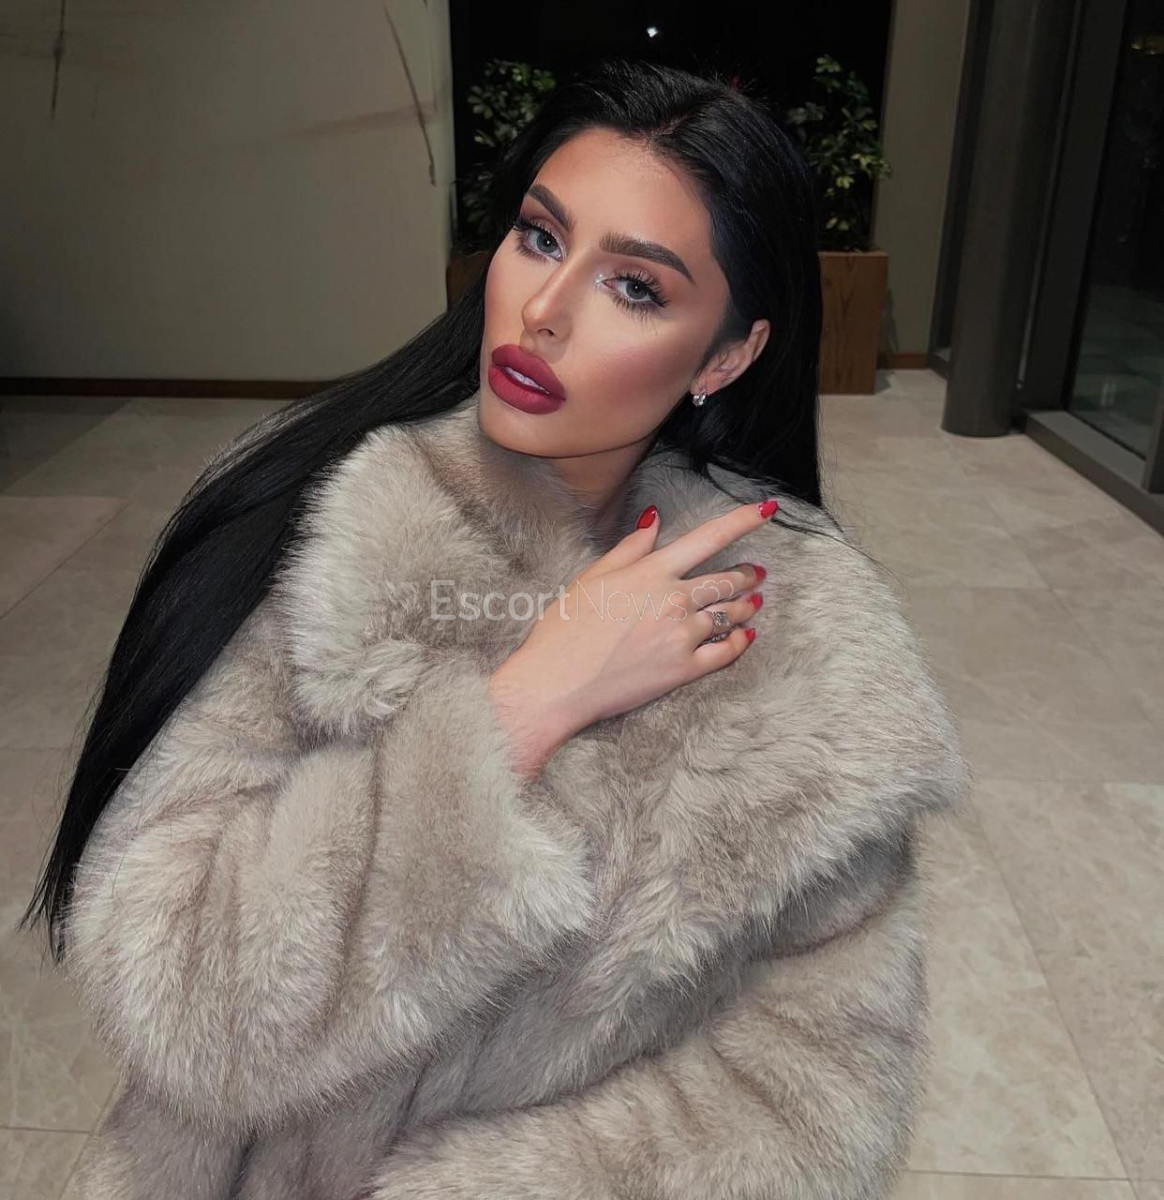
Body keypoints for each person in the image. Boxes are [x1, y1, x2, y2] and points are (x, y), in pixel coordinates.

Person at [23, 58, 969, 1199]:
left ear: (726, 355)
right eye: (540, 236)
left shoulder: (807, 648)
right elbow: (176, 993)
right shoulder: (330, 528)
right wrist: (523, 708)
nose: (544, 308)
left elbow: (819, 1094)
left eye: (636, 287)